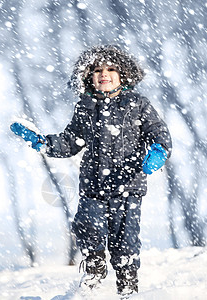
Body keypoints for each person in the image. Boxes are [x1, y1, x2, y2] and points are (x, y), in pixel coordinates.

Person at [10, 45, 172, 298]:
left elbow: (158, 133)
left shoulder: (138, 104)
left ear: (124, 75)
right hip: (93, 184)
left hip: (127, 185)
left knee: (124, 239)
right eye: (97, 70)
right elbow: (71, 141)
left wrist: (159, 151)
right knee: (87, 225)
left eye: (110, 69)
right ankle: (94, 271)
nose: (103, 74)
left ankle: (127, 286)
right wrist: (43, 142)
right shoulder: (85, 106)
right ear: (88, 76)